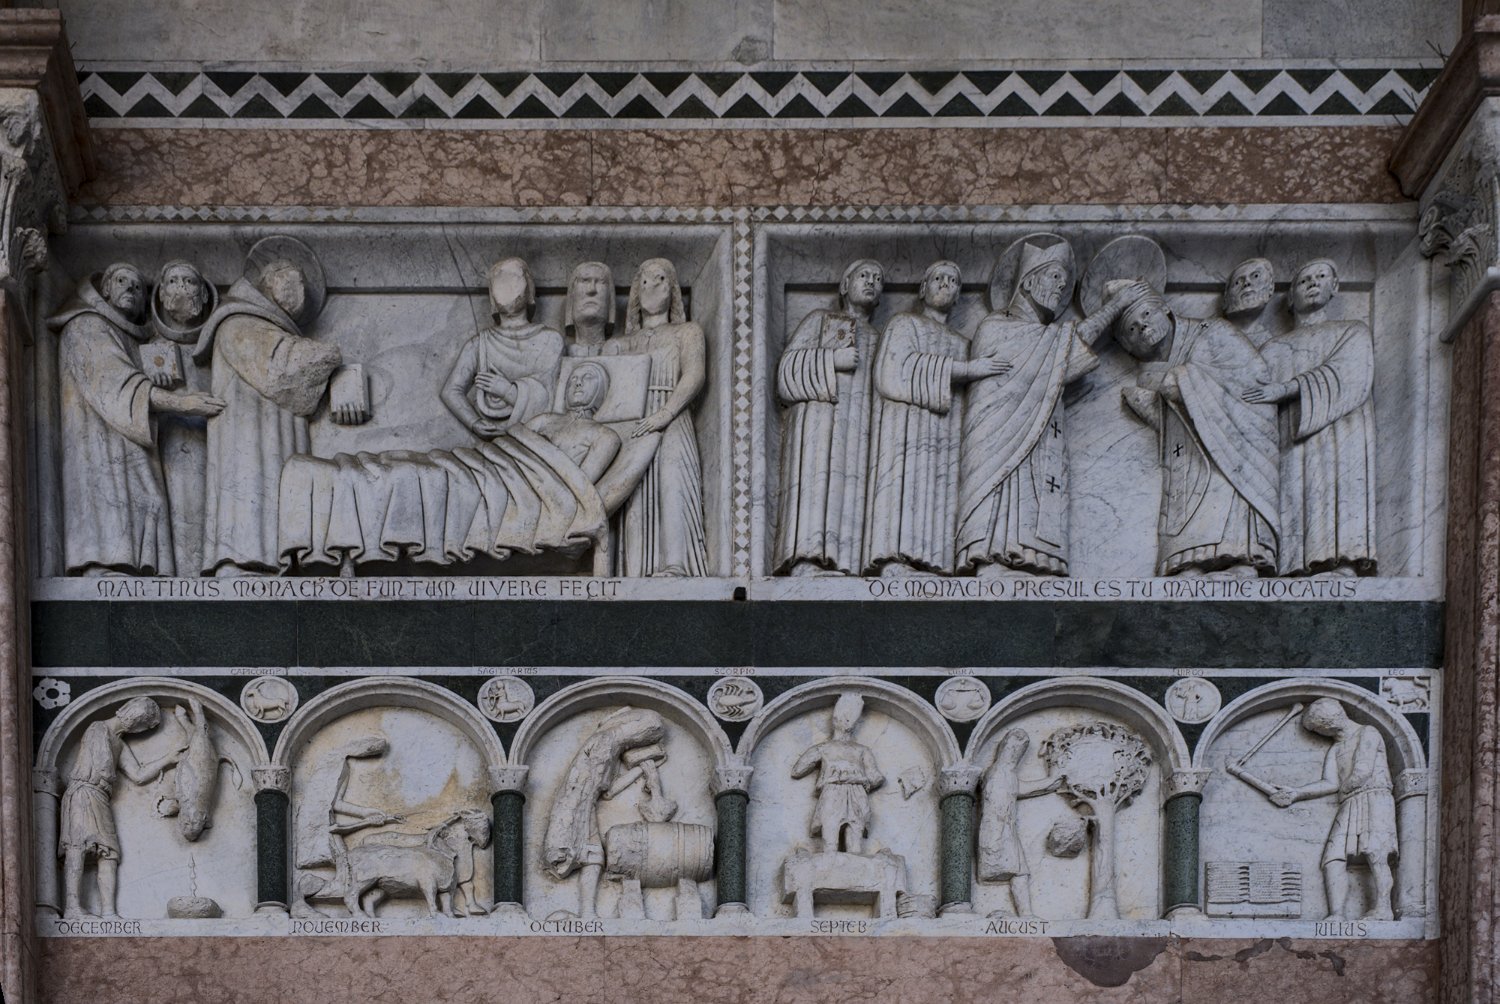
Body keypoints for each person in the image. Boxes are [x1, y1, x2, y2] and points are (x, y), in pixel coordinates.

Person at [955, 238, 1129, 577]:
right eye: (1054, 277)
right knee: (1009, 489)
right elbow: (1065, 350)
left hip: (1043, 433)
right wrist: (1114, 307)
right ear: (1028, 282)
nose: (1061, 287)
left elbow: (1064, 357)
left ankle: (1035, 560)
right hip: (999, 442)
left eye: (1064, 281)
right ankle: (994, 557)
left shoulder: (1044, 338)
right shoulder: (996, 327)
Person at [194, 236, 365, 575]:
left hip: (277, 437)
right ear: (269, 282)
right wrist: (331, 356)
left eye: (301, 285)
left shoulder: (268, 328)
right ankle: (241, 563)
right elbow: (281, 369)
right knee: (250, 492)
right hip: (249, 443)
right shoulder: (237, 322)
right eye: (291, 281)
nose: (298, 291)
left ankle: (282, 561)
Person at [48, 263, 224, 575]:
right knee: (112, 502)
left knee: (150, 500)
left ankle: (136, 574)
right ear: (105, 289)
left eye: (139, 286)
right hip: (100, 443)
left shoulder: (130, 337)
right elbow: (120, 385)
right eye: (121, 281)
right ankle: (103, 568)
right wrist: (183, 403)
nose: (131, 288)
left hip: (132, 438)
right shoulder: (86, 325)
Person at [1115, 280, 1281, 576]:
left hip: (1232, 445)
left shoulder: (1213, 331)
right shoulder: (1150, 371)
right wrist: (1149, 402)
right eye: (1131, 328)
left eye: (1147, 314)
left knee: (1224, 493)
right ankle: (1187, 561)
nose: (1142, 327)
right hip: (1185, 459)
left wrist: (1181, 380)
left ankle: (1241, 562)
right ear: (1128, 347)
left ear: (1166, 309)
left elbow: (1253, 379)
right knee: (1186, 501)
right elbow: (1166, 417)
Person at [865, 261, 1006, 576]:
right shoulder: (904, 324)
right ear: (922, 289)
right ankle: (895, 560)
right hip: (904, 428)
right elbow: (892, 371)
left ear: (958, 296)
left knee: (941, 491)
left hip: (947, 434)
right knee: (905, 487)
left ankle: (935, 564)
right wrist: (965, 370)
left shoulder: (964, 345)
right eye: (938, 278)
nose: (945, 283)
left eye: (953, 281)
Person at [1245, 259, 1377, 577]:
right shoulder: (1272, 349)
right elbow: (1249, 395)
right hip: (1290, 436)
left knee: (1336, 489)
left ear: (1335, 287)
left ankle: (1340, 562)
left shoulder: (1351, 331)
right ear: (1290, 298)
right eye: (1304, 280)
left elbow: (1352, 373)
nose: (1313, 283)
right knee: (1293, 490)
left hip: (1340, 432)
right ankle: (1291, 565)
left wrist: (1287, 389)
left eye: (1321, 277)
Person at [773, 258, 885, 576]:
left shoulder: (879, 338)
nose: (871, 282)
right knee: (816, 484)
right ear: (845, 285)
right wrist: (831, 359)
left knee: (852, 491)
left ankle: (848, 565)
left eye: (878, 279)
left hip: (860, 430)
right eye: (863, 275)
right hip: (819, 424)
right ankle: (806, 562)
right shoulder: (819, 320)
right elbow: (786, 372)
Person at [599, 258, 708, 576]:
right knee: (631, 492)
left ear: (672, 289)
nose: (651, 287)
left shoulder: (687, 332)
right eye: (644, 281)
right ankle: (634, 572)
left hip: (672, 418)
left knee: (672, 485)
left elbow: (694, 374)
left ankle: (675, 565)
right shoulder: (619, 344)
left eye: (660, 279)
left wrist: (666, 413)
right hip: (630, 425)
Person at [1266, 699, 1397, 920]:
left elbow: (1362, 771)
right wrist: (1296, 792)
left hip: (1375, 798)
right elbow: (1329, 783)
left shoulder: (1368, 732)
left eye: (1318, 729)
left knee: (1376, 853)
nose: (1320, 734)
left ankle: (1384, 908)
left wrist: (1344, 789)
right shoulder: (1337, 747)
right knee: (1332, 858)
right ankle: (1336, 914)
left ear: (1329, 723)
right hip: (1350, 802)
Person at [60, 698, 184, 918]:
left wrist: (169, 758)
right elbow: (103, 767)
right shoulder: (98, 728)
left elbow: (138, 775)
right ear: (130, 713)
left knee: (110, 853)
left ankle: (108, 912)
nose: (138, 727)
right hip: (83, 792)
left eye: (144, 725)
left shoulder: (119, 743)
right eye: (141, 722)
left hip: (100, 797)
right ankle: (72, 908)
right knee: (77, 846)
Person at [441, 257, 564, 438]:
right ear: (491, 295)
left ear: (529, 289)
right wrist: (474, 423)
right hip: (493, 441)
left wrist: (507, 391)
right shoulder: (479, 343)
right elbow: (451, 390)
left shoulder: (550, 340)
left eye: (515, 277)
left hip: (536, 440)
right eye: (499, 278)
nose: (507, 284)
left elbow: (549, 401)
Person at [149, 260, 219, 575]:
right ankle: (187, 579)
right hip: (174, 441)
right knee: (182, 504)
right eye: (173, 281)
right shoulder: (152, 347)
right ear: (161, 294)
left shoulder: (219, 343)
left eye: (190, 282)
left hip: (218, 439)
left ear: (204, 295)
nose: (181, 287)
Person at [977, 728, 1063, 918]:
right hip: (999, 833)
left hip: (1003, 832)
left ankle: (1026, 914)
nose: (1015, 755)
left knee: (1021, 872)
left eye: (1019, 750)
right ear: (1006, 749)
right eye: (1014, 749)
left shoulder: (1005, 773)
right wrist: (996, 841)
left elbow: (1022, 789)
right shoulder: (999, 773)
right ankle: (1026, 915)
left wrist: (1051, 781)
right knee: (1020, 872)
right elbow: (997, 809)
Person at [790, 694, 886, 854]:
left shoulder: (862, 750)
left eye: (849, 718)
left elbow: (876, 777)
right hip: (832, 793)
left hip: (856, 794)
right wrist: (815, 754)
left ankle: (854, 868)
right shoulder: (824, 748)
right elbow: (797, 771)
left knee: (854, 844)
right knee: (830, 841)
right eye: (843, 717)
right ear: (834, 720)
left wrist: (857, 778)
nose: (846, 721)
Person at [565, 261, 615, 357]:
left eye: (601, 281)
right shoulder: (554, 349)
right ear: (572, 296)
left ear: (610, 299)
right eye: (584, 281)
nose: (591, 290)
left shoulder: (623, 347)